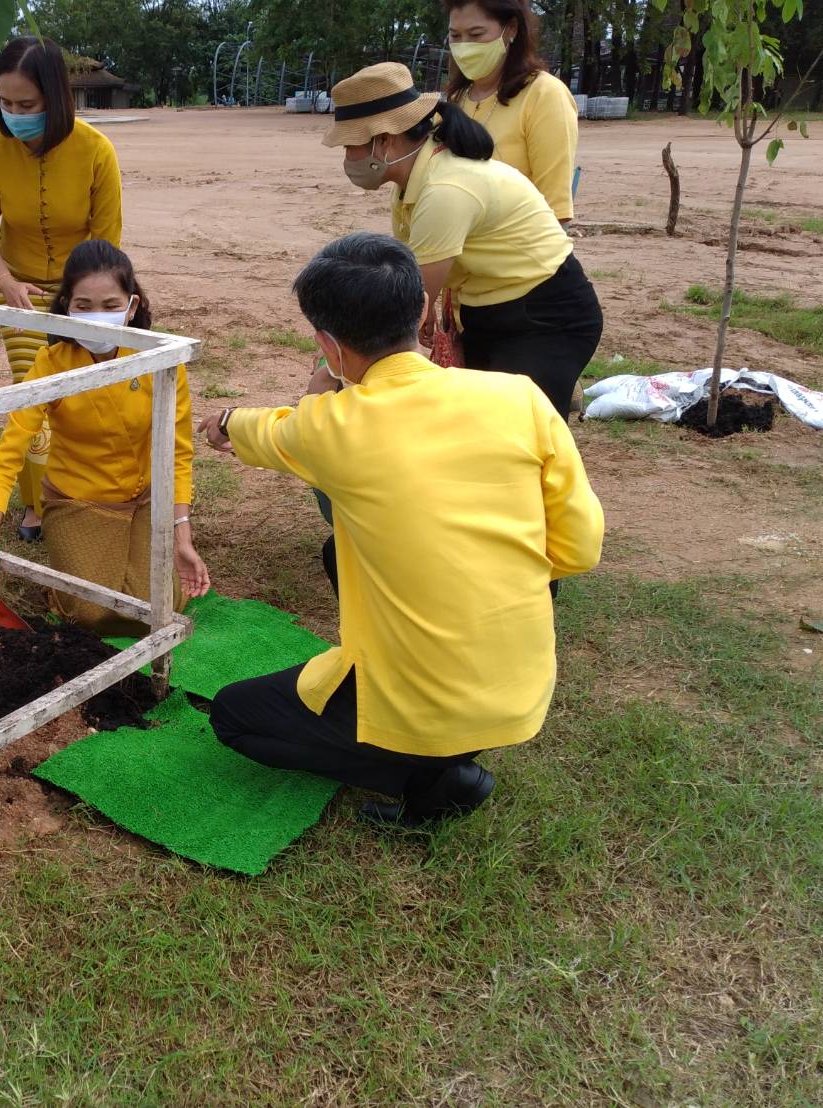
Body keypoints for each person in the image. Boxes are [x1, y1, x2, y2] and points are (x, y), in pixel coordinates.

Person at [197, 233, 603, 827]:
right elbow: (579, 546)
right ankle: (437, 744)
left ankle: (431, 777)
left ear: (327, 346)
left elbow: (266, 431)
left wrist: (227, 420)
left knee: (234, 717)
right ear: (419, 310)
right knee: (342, 550)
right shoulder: (519, 396)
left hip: (431, 705)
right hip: (520, 686)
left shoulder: (331, 427)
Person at [325, 61, 602, 420]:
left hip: (544, 317)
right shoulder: (414, 181)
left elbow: (401, 309)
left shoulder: (445, 188)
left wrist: (333, 365)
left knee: (520, 437)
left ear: (383, 141)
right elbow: (412, 279)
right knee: (476, 430)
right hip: (486, 311)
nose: (348, 159)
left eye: (350, 146)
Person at [0, 240, 209, 635]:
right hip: (79, 501)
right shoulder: (51, 366)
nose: (97, 318)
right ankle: (72, 586)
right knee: (91, 613)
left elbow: (178, 455)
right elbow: (8, 455)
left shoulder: (161, 360)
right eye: (83, 305)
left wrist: (182, 536)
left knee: (163, 603)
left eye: (110, 306)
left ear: (131, 307)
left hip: (148, 500)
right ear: (66, 308)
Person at [0, 35, 123, 542]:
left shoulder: (96, 150)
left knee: (83, 400)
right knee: (33, 398)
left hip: (87, 297)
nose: (14, 114)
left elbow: (106, 244)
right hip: (19, 293)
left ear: (56, 98)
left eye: (27, 104)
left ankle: (87, 493)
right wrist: (6, 282)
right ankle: (38, 506)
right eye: (5, 102)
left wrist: (81, 306)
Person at [445, 0, 579, 224]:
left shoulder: (544, 95)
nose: (464, 46)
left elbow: (554, 211)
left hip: (515, 254)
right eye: (455, 36)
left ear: (511, 29)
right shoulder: (456, 100)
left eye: (476, 34)